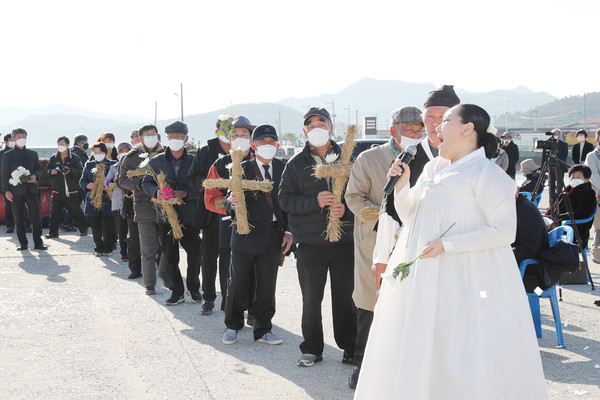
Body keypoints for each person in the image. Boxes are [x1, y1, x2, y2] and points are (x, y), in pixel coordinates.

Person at [354, 104, 547, 399]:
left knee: (460, 342)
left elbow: (504, 231)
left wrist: (449, 244)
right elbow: (411, 217)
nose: (436, 127)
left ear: (468, 129)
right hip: (425, 275)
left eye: (445, 121)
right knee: (423, 340)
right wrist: (402, 186)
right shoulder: (432, 167)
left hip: (466, 276)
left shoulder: (488, 174)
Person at [344, 105, 422, 388]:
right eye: (409, 129)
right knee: (369, 305)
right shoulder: (369, 158)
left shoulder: (429, 157)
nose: (416, 134)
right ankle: (361, 365)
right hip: (375, 244)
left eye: (420, 129)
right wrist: (385, 221)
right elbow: (353, 197)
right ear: (394, 130)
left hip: (417, 244)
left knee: (410, 306)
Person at [279, 107, 357, 368]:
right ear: (304, 131)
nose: (316, 128)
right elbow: (285, 199)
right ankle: (312, 348)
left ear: (331, 127)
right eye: (310, 124)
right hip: (310, 241)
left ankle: (350, 346)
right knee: (311, 297)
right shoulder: (296, 164)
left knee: (346, 296)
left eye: (321, 123)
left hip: (344, 240)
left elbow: (361, 192)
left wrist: (345, 207)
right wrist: (314, 201)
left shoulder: (348, 158)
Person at [222, 124, 292, 345]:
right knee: (237, 282)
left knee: (267, 283)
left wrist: (288, 232)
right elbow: (227, 199)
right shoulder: (240, 167)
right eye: (263, 142)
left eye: (272, 142)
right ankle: (232, 325)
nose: (267, 145)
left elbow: (288, 204)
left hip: (273, 234)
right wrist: (231, 202)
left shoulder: (284, 169)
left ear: (277, 145)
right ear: (254, 145)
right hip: (244, 232)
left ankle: (263, 329)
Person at [142, 121, 201, 306]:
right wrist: (156, 192)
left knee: (194, 253)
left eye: (179, 137)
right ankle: (177, 292)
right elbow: (146, 183)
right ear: (166, 139)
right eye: (171, 137)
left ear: (186, 139)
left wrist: (186, 193)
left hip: (189, 216)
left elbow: (202, 186)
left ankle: (193, 289)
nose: (175, 140)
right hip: (165, 217)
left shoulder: (194, 161)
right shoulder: (156, 161)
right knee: (170, 256)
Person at [202, 116, 256, 316]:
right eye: (235, 135)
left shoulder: (258, 160)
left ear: (251, 138)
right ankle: (230, 309)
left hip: (257, 224)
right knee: (229, 269)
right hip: (228, 223)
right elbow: (210, 197)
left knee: (255, 268)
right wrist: (229, 206)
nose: (239, 138)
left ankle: (253, 309)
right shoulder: (219, 164)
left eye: (244, 134)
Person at [187, 114, 235, 314]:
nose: (231, 133)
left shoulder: (243, 151)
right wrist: (211, 185)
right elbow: (192, 178)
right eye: (227, 129)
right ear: (218, 131)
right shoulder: (206, 152)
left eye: (235, 129)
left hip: (232, 212)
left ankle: (228, 299)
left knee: (228, 258)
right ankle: (208, 297)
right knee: (209, 257)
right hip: (210, 213)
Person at [118, 124, 165, 294]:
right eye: (147, 135)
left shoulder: (166, 154)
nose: (151, 137)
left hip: (166, 206)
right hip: (143, 206)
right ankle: (150, 284)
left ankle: (166, 275)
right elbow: (122, 180)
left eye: (153, 134)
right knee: (147, 250)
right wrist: (139, 184)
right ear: (140, 138)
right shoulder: (131, 157)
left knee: (167, 246)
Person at [1, 127, 46, 250]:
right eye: (19, 137)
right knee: (19, 218)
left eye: (24, 137)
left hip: (31, 190)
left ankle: (38, 242)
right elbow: (4, 174)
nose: (22, 139)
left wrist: (35, 176)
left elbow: (39, 168)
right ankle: (23, 243)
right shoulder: (7, 155)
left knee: (36, 217)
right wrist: (6, 190)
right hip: (15, 191)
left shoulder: (32, 153)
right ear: (14, 139)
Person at [45, 136, 88, 238]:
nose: (61, 146)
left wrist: (70, 171)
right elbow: (47, 171)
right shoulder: (53, 158)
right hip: (57, 190)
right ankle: (53, 233)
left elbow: (80, 171)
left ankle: (83, 228)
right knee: (55, 213)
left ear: (68, 145)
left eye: (63, 144)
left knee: (75, 211)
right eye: (59, 144)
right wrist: (51, 171)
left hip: (71, 190)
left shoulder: (75, 158)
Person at [545, 164, 596, 247]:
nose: (575, 178)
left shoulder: (589, 193)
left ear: (587, 179)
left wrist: (557, 223)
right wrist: (546, 219)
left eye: (578, 177)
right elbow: (553, 208)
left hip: (574, 232)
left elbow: (581, 215)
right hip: (555, 226)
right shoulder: (567, 190)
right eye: (573, 176)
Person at [80, 142, 117, 256]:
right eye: (95, 152)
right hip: (93, 198)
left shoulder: (113, 164)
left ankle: (108, 247)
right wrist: (88, 185)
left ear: (105, 152)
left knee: (108, 225)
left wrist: (111, 186)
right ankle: (98, 247)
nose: (97, 154)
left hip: (108, 198)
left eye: (100, 152)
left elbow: (118, 180)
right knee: (95, 226)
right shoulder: (89, 164)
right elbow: (82, 181)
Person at [513, 191, 550, 292]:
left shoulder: (525, 210)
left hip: (533, 275)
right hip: (522, 264)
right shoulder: (514, 206)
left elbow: (530, 249)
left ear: (516, 191)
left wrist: (505, 255)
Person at [106, 142, 135, 267]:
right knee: (121, 229)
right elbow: (106, 183)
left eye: (126, 150)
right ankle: (124, 253)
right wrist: (112, 182)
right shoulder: (114, 167)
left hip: (133, 202)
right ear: (117, 154)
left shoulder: (135, 166)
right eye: (121, 151)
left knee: (133, 230)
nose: (124, 153)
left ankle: (134, 252)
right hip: (119, 202)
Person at [584, 128, 600, 263]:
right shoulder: (592, 156)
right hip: (597, 195)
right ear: (597, 140)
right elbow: (594, 177)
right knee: (599, 227)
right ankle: (596, 252)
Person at [0, 133, 17, 233]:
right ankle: (10, 226)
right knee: (8, 205)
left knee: (22, 204)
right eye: (11, 140)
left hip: (19, 181)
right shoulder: (1, 153)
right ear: (6, 142)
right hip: (6, 182)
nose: (13, 141)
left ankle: (26, 225)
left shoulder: (19, 151)